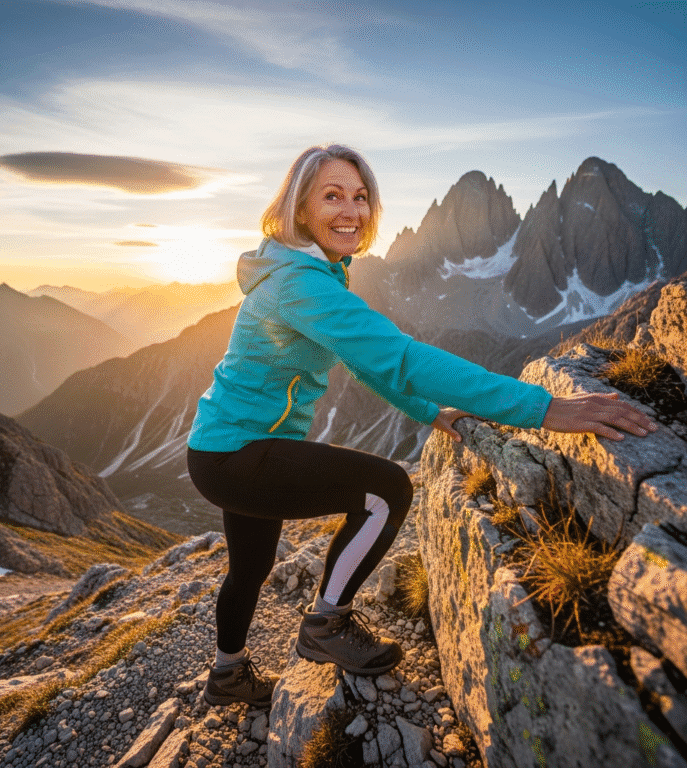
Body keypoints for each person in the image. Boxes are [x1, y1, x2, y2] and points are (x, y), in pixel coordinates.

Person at [186, 144, 658, 708]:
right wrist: (547, 410)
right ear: (299, 208)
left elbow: (370, 363)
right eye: (331, 196)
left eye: (360, 197)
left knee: (252, 567)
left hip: (219, 448)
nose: (351, 210)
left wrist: (430, 414)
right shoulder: (301, 284)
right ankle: (326, 624)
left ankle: (226, 676)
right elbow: (401, 358)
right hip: (240, 454)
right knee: (387, 491)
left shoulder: (300, 271)